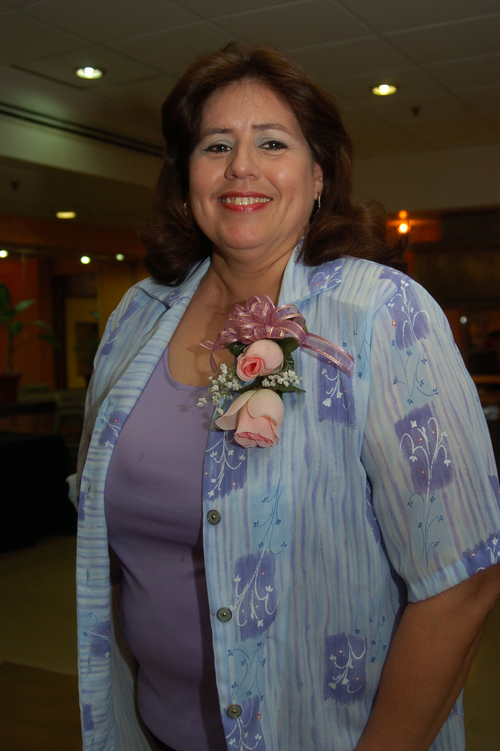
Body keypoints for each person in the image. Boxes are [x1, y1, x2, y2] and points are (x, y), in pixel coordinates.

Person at [74, 42, 500, 751]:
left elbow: (465, 583)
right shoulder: (137, 315)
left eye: (272, 142)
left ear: (318, 174)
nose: (241, 166)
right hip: (148, 729)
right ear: (186, 178)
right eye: (216, 145)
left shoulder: (382, 313)